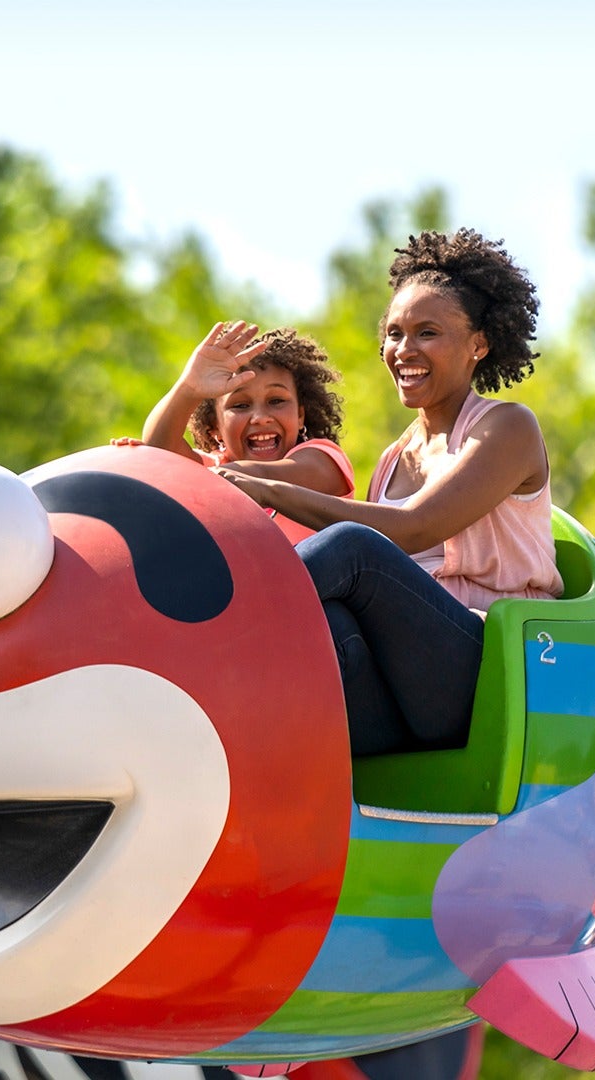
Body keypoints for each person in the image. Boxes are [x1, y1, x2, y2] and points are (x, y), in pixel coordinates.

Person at [216, 229, 558, 757]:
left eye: (427, 333)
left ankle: (206, 637)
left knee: (355, 548)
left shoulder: (507, 429)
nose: (404, 350)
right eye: (394, 333)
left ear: (479, 345)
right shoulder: (394, 460)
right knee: (325, 622)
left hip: (490, 680)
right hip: (400, 702)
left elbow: (412, 528)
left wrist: (261, 487)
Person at [134, 323, 353, 539]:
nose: (260, 418)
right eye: (240, 406)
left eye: (276, 400)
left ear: (300, 416)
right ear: (214, 428)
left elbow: (264, 476)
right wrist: (188, 388)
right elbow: (158, 451)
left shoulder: (323, 458)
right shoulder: (216, 466)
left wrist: (194, 477)